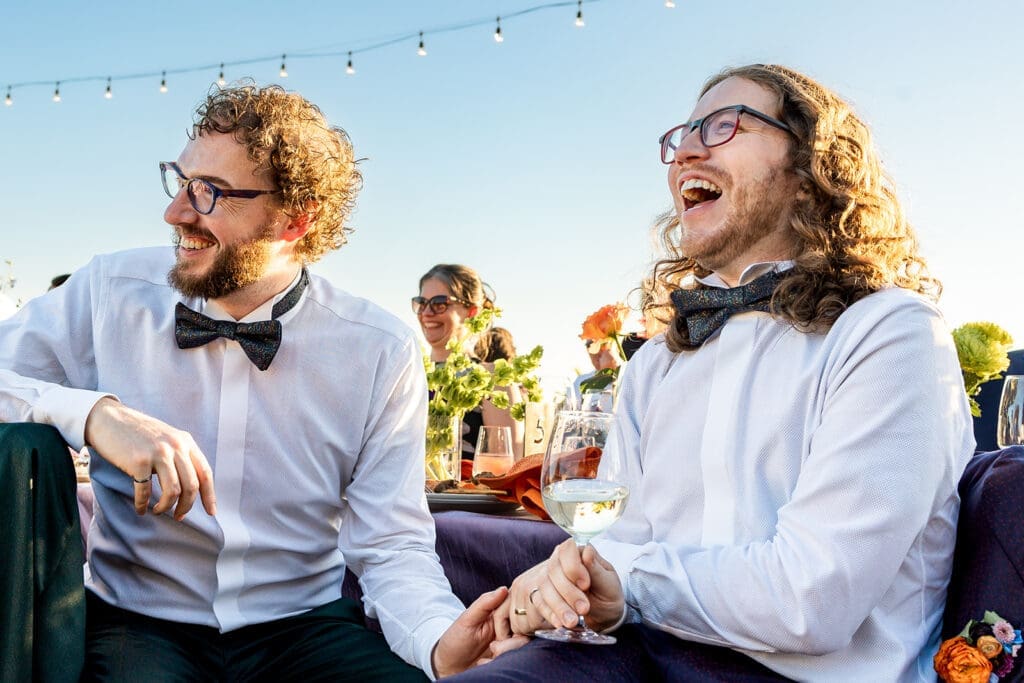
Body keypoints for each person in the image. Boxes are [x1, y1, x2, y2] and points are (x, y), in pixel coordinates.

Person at [460, 64, 975, 682]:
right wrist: (570, 595)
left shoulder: (888, 332)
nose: (687, 151)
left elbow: (811, 600)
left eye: (725, 124)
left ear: (812, 173)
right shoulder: (656, 362)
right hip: (639, 650)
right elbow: (616, 546)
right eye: (682, 136)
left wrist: (625, 577)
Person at [0, 82, 507, 681]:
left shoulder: (378, 347)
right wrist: (95, 415)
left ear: (297, 219)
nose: (176, 212)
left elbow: (392, 543)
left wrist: (436, 639)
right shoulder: (110, 291)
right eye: (180, 180)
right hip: (139, 623)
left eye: (209, 192)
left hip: (307, 627)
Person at [415, 264, 524, 459]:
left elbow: (505, 470)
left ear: (472, 311)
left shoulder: (493, 380)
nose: (427, 313)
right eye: (421, 303)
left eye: (440, 303)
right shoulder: (409, 374)